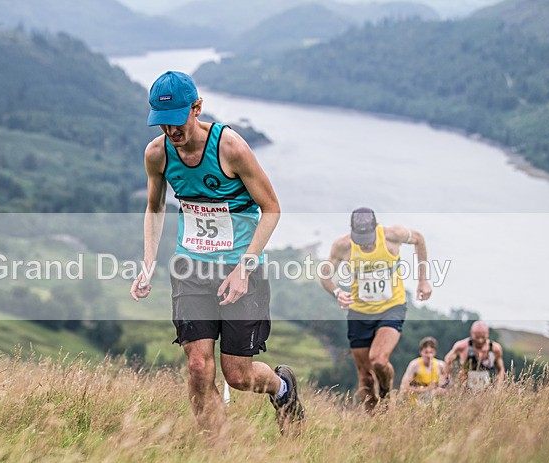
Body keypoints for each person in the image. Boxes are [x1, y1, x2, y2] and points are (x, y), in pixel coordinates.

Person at [130, 71, 304, 435]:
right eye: (162, 122)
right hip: (190, 269)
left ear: (196, 108)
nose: (170, 131)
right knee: (197, 367)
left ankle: (283, 388)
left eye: (177, 119)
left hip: (240, 270)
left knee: (238, 374)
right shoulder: (157, 154)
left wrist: (244, 268)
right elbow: (155, 207)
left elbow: (271, 208)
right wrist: (148, 264)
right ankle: (217, 456)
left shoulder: (230, 148)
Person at [320, 207, 432, 410]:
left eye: (368, 237)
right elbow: (325, 275)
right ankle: (376, 419)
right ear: (351, 230)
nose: (366, 243)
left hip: (391, 307)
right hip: (359, 312)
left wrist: (423, 281)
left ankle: (387, 393)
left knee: (378, 360)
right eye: (360, 238)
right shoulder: (342, 246)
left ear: (376, 227)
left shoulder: (392, 235)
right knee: (365, 375)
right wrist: (337, 293)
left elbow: (419, 239)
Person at [442, 321, 505, 390]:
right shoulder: (461, 347)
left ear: (487, 334)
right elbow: (448, 360)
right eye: (477, 337)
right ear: (471, 334)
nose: (480, 340)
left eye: (483, 337)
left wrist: (498, 388)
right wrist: (446, 380)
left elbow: (500, 369)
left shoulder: (495, 349)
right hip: (464, 391)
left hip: (486, 392)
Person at [399, 336, 448, 406]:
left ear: (435, 352)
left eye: (431, 352)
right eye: (426, 352)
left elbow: (448, 384)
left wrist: (442, 390)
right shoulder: (414, 365)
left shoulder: (440, 365)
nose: (429, 355)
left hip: (434, 405)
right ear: (421, 352)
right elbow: (404, 386)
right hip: (415, 404)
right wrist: (425, 390)